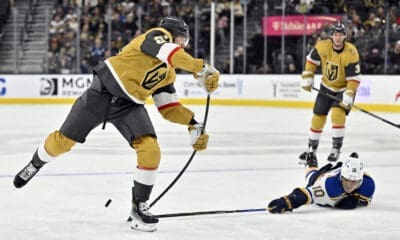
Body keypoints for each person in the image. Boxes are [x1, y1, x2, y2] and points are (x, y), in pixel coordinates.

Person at [13, 16, 219, 232]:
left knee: (150, 149)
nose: (182, 45)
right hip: (100, 95)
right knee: (62, 142)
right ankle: (35, 164)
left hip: (129, 107)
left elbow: (168, 108)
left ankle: (139, 205)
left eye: (184, 42)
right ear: (169, 34)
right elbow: (171, 53)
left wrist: (193, 123)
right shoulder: (155, 36)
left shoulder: (167, 74)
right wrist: (199, 68)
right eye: (180, 40)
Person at [299, 21, 362, 164]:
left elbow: (355, 78)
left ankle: (336, 148)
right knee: (318, 117)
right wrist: (308, 76)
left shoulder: (351, 52)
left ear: (345, 36)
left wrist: (349, 93)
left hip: (344, 89)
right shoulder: (323, 46)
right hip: (326, 86)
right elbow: (311, 61)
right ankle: (311, 150)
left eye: (340, 35)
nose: (338, 38)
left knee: (337, 114)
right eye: (335, 34)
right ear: (331, 36)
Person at [268, 152, 375, 213]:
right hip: (324, 176)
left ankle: (351, 160)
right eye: (346, 180)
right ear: (341, 177)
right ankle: (310, 163)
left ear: (360, 181)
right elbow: (307, 194)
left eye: (354, 182)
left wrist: (356, 202)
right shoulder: (329, 186)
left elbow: (364, 200)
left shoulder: (368, 185)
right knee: (311, 179)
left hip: (339, 171)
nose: (350, 186)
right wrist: (289, 201)